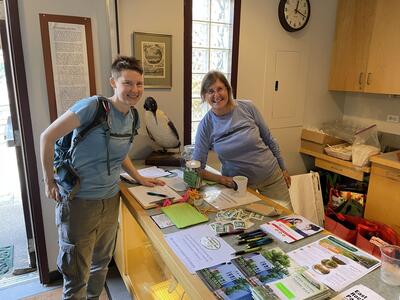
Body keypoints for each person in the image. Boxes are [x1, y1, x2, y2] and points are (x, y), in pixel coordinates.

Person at [40, 56, 163, 299]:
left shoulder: (133, 116)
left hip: (110, 199)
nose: (135, 90)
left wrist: (138, 177)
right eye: (128, 83)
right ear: (113, 82)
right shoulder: (92, 107)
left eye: (139, 84)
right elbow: (47, 136)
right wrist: (48, 180)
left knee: (100, 266)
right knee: (76, 275)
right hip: (79, 202)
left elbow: (121, 153)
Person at [192, 70, 292, 210]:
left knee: (285, 222)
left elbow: (269, 139)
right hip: (239, 186)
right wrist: (221, 179)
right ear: (204, 96)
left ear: (228, 89)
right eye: (210, 91)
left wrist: (283, 168)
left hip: (271, 178)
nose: (216, 95)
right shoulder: (206, 125)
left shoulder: (247, 107)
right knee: (249, 228)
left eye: (220, 89)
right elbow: (197, 168)